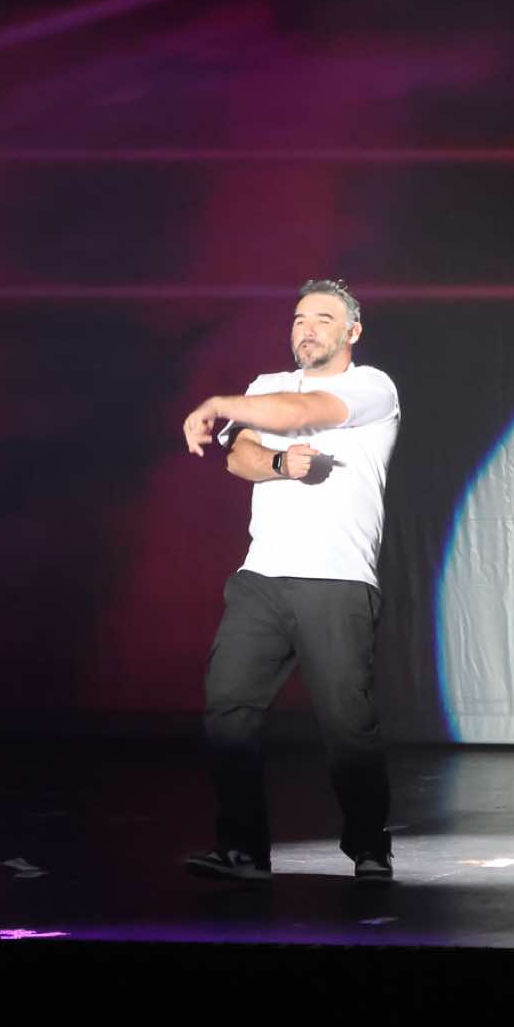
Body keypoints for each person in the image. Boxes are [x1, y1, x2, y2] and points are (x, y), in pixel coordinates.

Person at [179, 280, 401, 884]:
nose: (307, 328)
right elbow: (239, 456)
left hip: (337, 578)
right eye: (300, 318)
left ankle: (369, 847)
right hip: (262, 576)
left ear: (352, 332)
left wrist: (219, 403)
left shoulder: (372, 387)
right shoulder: (265, 387)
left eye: (323, 318)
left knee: (347, 724)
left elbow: (302, 414)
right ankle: (244, 850)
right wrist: (278, 464)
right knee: (228, 708)